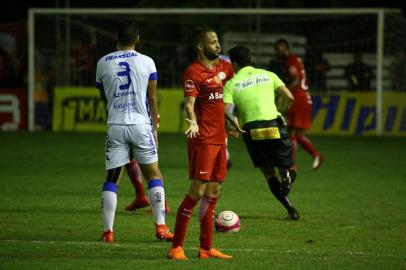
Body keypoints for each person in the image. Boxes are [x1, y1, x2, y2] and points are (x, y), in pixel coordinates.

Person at [96, 20, 173, 243]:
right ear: (138, 39)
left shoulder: (102, 63)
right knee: (153, 175)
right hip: (141, 125)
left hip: (116, 125)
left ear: (116, 38)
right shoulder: (147, 61)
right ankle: (161, 228)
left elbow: (105, 98)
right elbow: (151, 97)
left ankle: (108, 232)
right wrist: (155, 126)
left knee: (112, 179)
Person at [167, 27, 233, 260]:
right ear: (200, 47)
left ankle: (206, 248)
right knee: (196, 192)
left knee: (214, 191)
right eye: (213, 42)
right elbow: (188, 104)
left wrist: (229, 120)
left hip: (220, 139)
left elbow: (221, 99)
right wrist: (193, 122)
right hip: (203, 139)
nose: (218, 45)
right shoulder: (192, 72)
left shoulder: (224, 68)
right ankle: (176, 247)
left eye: (218, 41)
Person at [224, 45, 299, 220]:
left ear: (234, 64)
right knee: (288, 166)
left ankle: (291, 210)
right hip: (274, 124)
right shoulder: (269, 75)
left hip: (252, 130)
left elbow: (226, 112)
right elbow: (290, 97)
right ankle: (287, 177)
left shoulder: (231, 84)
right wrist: (281, 110)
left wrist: (231, 127)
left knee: (268, 173)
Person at [273, 38, 323, 170]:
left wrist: (284, 92)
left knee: (292, 130)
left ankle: (293, 163)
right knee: (294, 132)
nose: (277, 52)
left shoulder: (291, 60)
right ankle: (313, 156)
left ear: (285, 48)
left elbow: (295, 79)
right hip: (302, 97)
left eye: (278, 49)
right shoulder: (294, 60)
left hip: (299, 98)